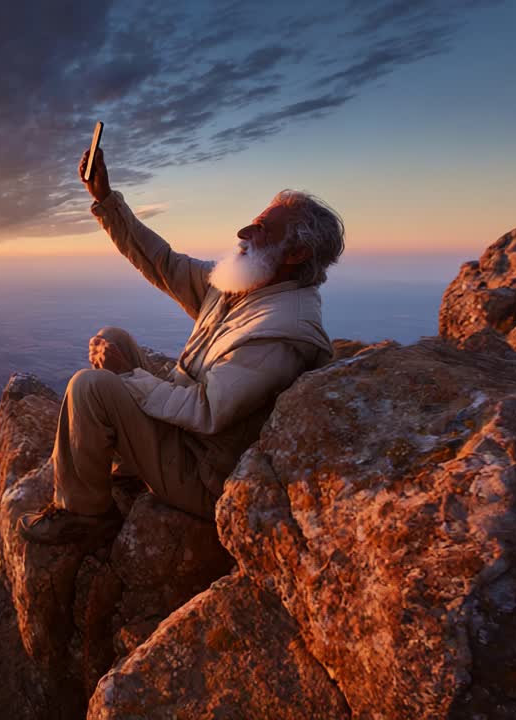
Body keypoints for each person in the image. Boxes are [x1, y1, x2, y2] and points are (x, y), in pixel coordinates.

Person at [18, 145, 344, 545]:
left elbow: (206, 412)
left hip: (203, 474)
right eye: (253, 223)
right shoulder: (243, 286)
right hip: (183, 438)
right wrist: (105, 200)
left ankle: (85, 516)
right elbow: (163, 262)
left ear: (296, 253)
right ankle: (132, 462)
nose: (245, 233)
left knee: (89, 387)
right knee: (114, 337)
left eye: (262, 229)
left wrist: (128, 375)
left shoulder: (281, 332)